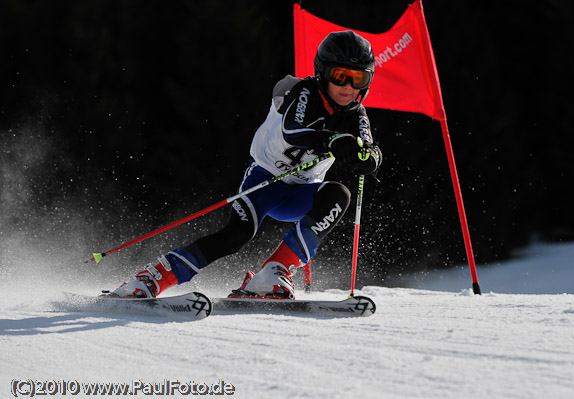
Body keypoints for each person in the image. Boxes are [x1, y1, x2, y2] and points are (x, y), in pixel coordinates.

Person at [107, 30, 382, 300]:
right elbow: (293, 131)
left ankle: (274, 272)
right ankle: (152, 279)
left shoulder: (356, 115)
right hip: (265, 181)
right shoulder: (305, 93)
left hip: (302, 193)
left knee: (338, 195)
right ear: (323, 72)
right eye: (340, 76)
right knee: (235, 236)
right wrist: (332, 140)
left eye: (358, 78)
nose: (348, 86)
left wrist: (368, 159)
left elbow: (372, 151)